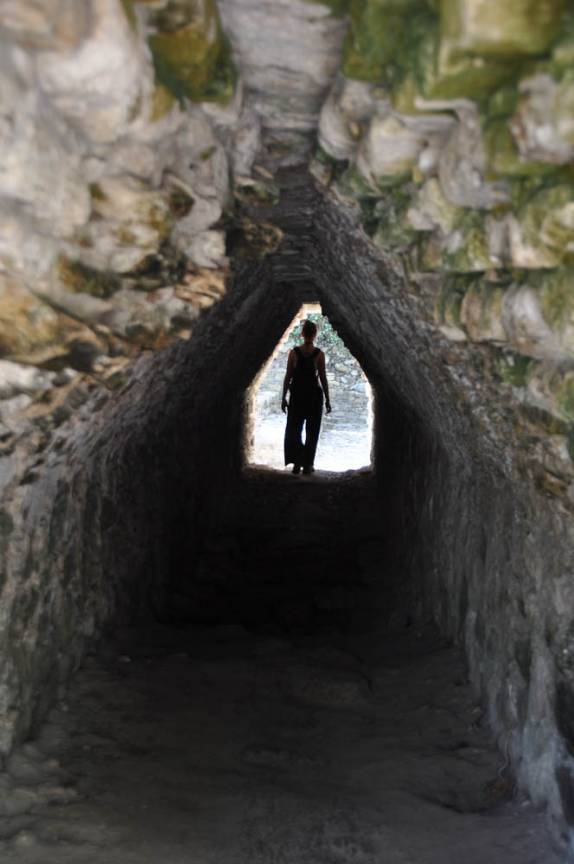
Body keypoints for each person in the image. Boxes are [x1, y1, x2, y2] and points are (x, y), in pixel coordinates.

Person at [281, 319, 331, 475]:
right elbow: (322, 378)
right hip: (313, 397)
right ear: (315, 334)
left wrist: (283, 397)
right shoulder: (319, 354)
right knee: (312, 431)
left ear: (302, 334)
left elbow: (288, 376)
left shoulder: (294, 353)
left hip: (297, 395)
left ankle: (297, 462)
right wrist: (328, 399)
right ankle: (307, 465)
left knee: (294, 430)